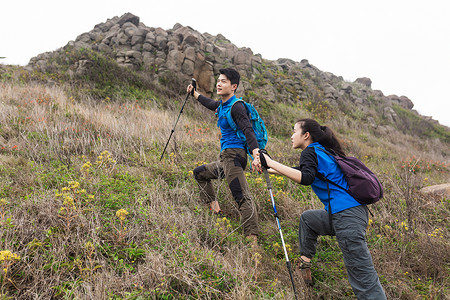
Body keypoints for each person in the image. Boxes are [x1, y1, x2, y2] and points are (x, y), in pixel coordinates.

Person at [258, 118, 387, 299]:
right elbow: (304, 171)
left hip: (347, 215)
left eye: (294, 131)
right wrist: (270, 168)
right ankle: (305, 264)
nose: (291, 136)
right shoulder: (321, 151)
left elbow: (306, 178)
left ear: (306, 135)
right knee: (309, 219)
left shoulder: (310, 151)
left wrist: (271, 163)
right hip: (346, 214)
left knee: (363, 277)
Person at [187, 68, 261, 244]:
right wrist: (194, 94)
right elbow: (210, 103)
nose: (219, 84)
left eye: (224, 81)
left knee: (242, 197)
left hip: (234, 157)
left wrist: (256, 153)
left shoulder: (237, 106)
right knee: (199, 173)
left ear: (233, 86)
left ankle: (252, 241)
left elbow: (247, 129)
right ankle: (215, 211)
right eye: (218, 80)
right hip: (226, 159)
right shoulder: (222, 105)